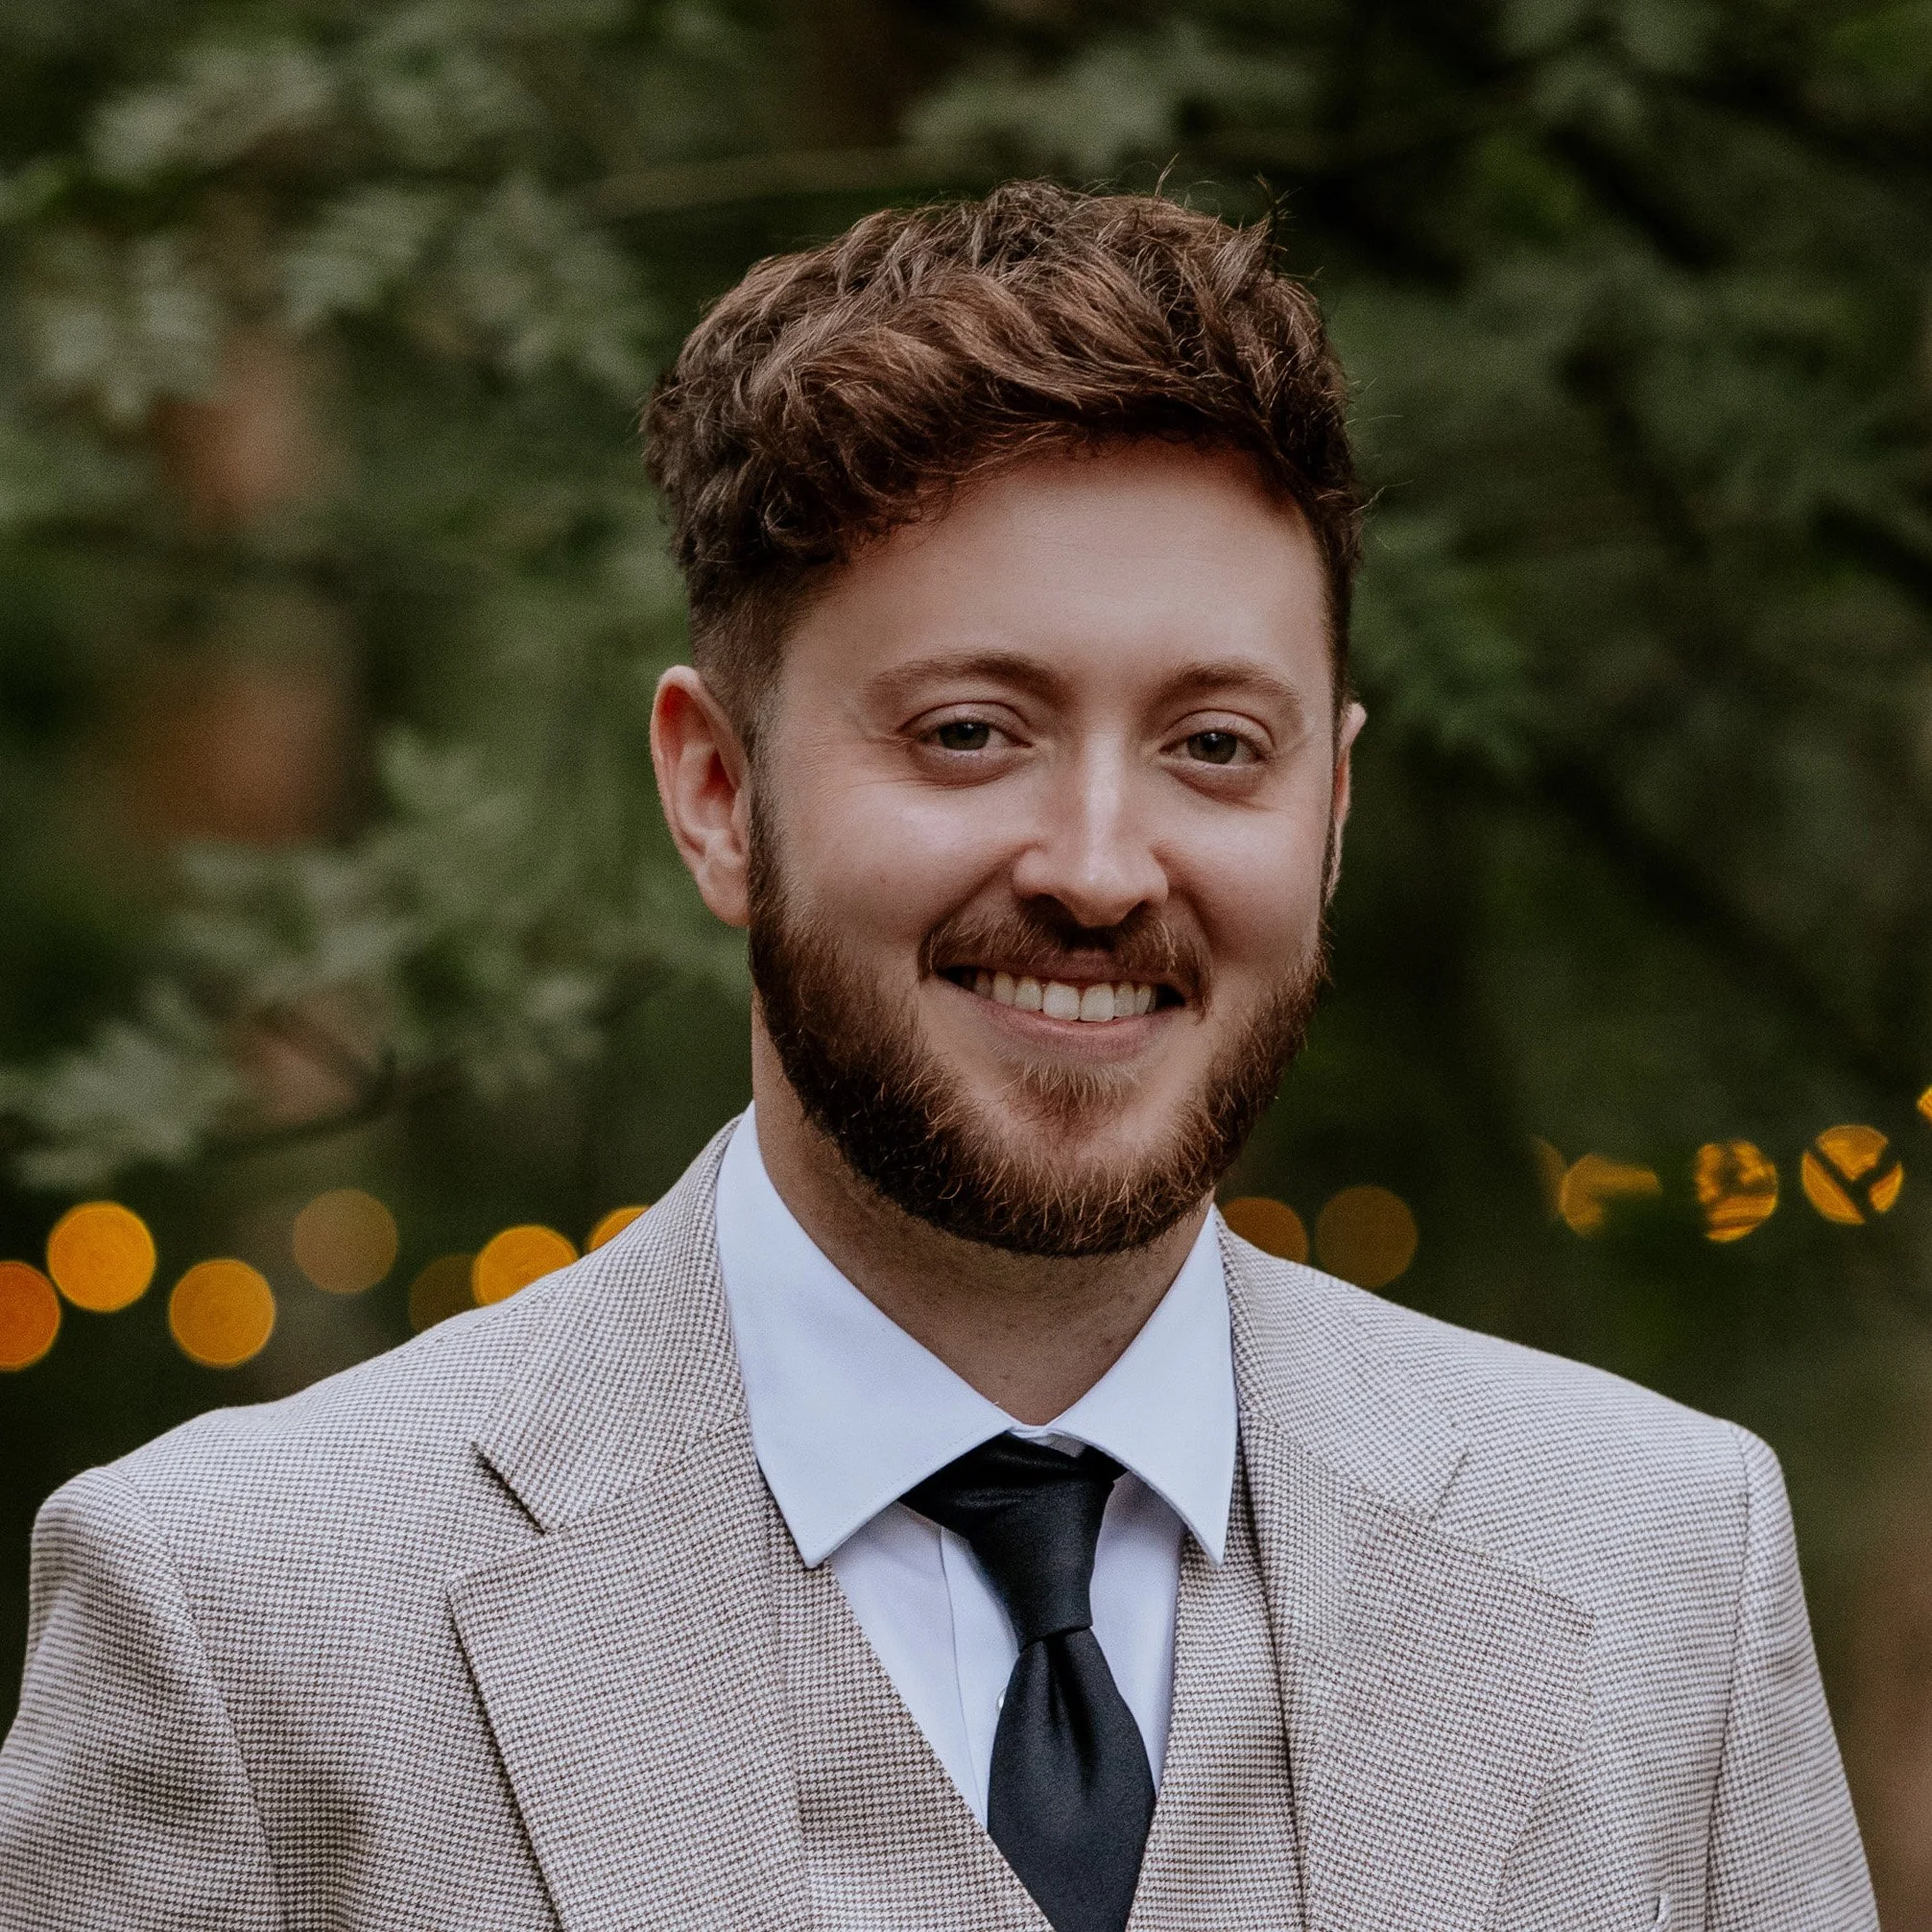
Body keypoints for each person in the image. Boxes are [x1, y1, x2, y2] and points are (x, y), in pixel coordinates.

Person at [0, 182, 1874, 1931]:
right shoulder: (237, 1612)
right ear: (716, 791)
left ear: (1335, 804)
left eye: (1217, 744)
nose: (1095, 865)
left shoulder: (1661, 1566)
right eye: (971, 730)